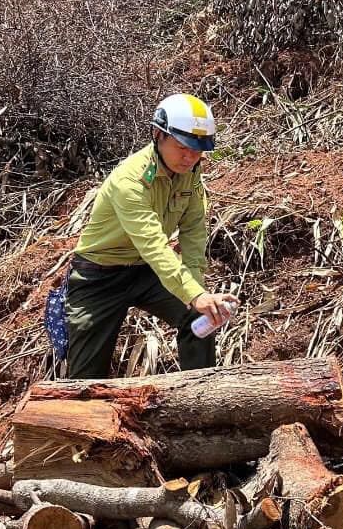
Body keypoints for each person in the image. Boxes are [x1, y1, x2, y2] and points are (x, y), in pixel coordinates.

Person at [61, 93, 238, 379]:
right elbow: (154, 246)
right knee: (86, 378)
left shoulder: (190, 172)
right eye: (182, 147)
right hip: (98, 277)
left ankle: (201, 401)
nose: (190, 157)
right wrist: (194, 294)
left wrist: (199, 294)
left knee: (200, 316)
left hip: (145, 272)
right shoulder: (130, 180)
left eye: (197, 151)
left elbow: (193, 230)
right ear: (158, 134)